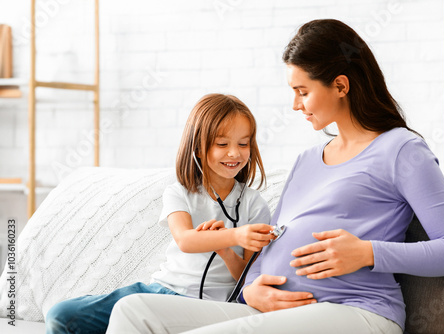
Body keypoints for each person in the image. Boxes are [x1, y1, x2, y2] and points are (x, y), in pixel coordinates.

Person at [105, 19, 444, 334]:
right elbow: (269, 245)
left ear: (341, 86)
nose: (295, 104)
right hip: (275, 309)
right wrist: (251, 289)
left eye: (303, 91)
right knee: (133, 312)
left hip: (356, 311)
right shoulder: (307, 159)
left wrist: (367, 252)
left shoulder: (401, 150)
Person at [45, 93, 274, 334]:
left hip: (206, 307)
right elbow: (186, 240)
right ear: (197, 147)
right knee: (63, 315)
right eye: (222, 144)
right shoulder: (179, 193)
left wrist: (226, 251)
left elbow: (247, 278)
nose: (234, 154)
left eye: (243, 143)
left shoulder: (254, 205)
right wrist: (235, 236)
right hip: (161, 290)